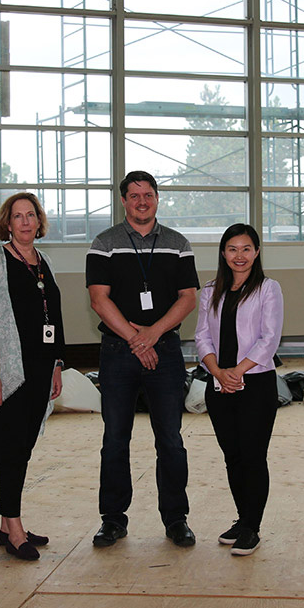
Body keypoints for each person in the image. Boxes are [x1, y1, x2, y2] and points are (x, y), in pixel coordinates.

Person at [86, 171, 200, 548]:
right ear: (123, 201)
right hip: (118, 355)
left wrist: (152, 334)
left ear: (157, 198)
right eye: (133, 195)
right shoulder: (104, 244)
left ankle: (176, 519)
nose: (141, 201)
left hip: (165, 353)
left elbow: (188, 298)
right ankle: (113, 520)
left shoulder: (178, 243)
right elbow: (99, 299)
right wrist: (137, 338)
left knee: (170, 439)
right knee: (115, 440)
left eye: (148, 195)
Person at [0, 193, 65, 561]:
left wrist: (56, 363)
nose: (25, 222)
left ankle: (7, 526)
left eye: (31, 215)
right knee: (8, 449)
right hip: (7, 373)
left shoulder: (44, 262)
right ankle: (15, 527)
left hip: (39, 370)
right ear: (7, 223)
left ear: (39, 221)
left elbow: (53, 315)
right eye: (17, 216)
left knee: (21, 449)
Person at [194, 223, 283, 557]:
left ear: (257, 252)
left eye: (247, 248)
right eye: (233, 249)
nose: (240, 255)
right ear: (223, 253)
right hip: (219, 385)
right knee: (232, 456)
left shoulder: (268, 289)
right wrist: (217, 370)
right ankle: (243, 518)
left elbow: (269, 338)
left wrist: (238, 370)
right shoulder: (210, 290)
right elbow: (202, 335)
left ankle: (252, 527)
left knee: (252, 455)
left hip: (255, 383)